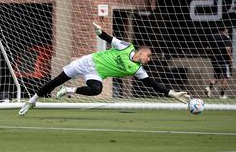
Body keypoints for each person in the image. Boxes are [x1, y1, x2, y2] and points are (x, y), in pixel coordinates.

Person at [19, 22, 191, 116]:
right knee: (56, 80)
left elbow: (152, 84)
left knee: (96, 89)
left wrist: (171, 93)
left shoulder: (137, 69)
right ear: (141, 52)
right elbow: (108, 38)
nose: (150, 59)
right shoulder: (126, 47)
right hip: (87, 61)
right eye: (149, 56)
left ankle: (69, 90)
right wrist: (99, 31)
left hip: (96, 73)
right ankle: (32, 99)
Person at [205, 27, 233, 99]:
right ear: (226, 29)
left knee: (217, 76)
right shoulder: (226, 37)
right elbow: (228, 50)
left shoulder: (213, 37)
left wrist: (213, 54)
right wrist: (230, 60)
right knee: (225, 77)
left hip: (214, 59)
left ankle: (208, 88)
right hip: (224, 60)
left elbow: (208, 48)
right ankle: (222, 95)